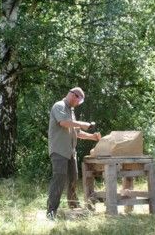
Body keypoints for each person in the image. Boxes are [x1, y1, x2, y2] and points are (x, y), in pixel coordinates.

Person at [47, 87, 101, 219]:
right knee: (59, 180)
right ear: (73, 95)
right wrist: (83, 123)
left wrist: (92, 137)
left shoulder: (71, 111)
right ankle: (51, 212)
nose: (78, 104)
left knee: (73, 178)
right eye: (79, 101)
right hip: (59, 151)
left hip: (71, 152)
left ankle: (73, 208)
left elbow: (76, 132)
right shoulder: (59, 106)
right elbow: (64, 123)